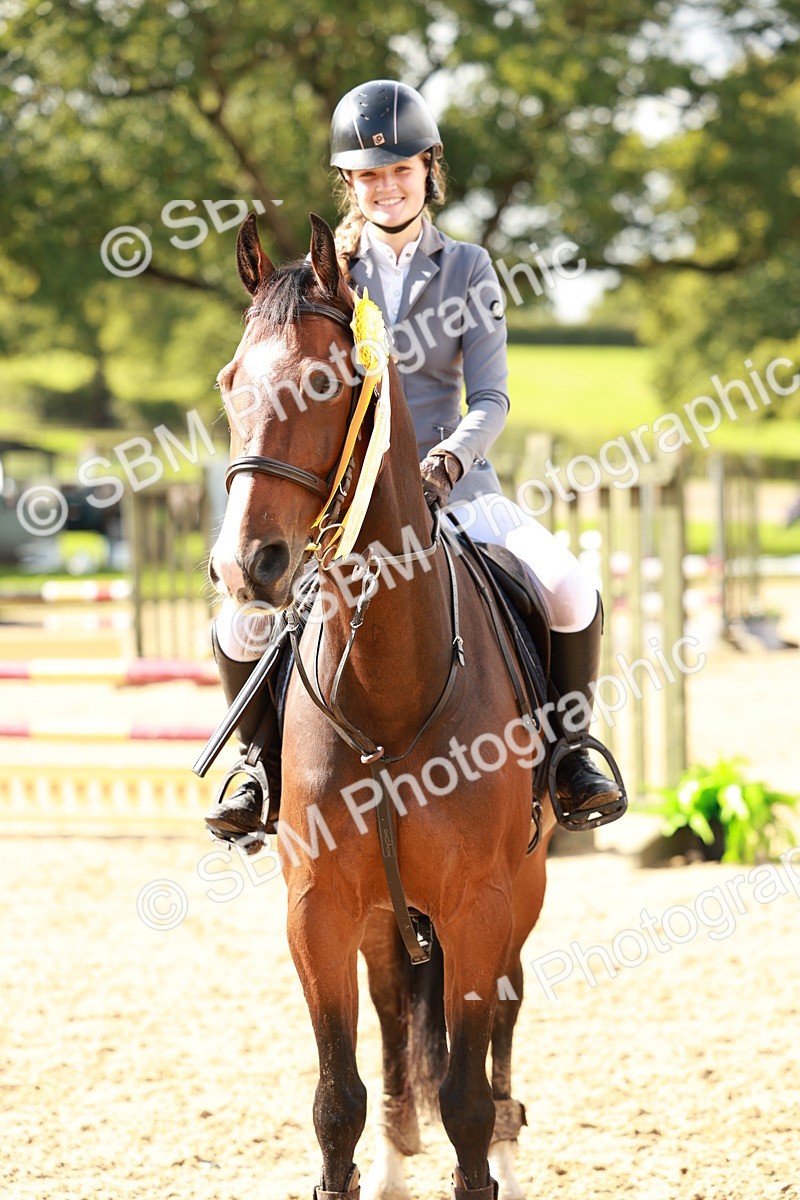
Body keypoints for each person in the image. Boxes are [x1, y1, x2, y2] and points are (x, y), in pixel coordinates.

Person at [205, 79, 623, 841]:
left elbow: (489, 400)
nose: (387, 186)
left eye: (401, 169)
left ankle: (570, 756)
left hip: (457, 489)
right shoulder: (324, 278)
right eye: (369, 175)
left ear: (430, 168)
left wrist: (447, 465)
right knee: (240, 627)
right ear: (349, 182)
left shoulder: (469, 268)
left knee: (569, 589)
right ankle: (259, 768)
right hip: (346, 510)